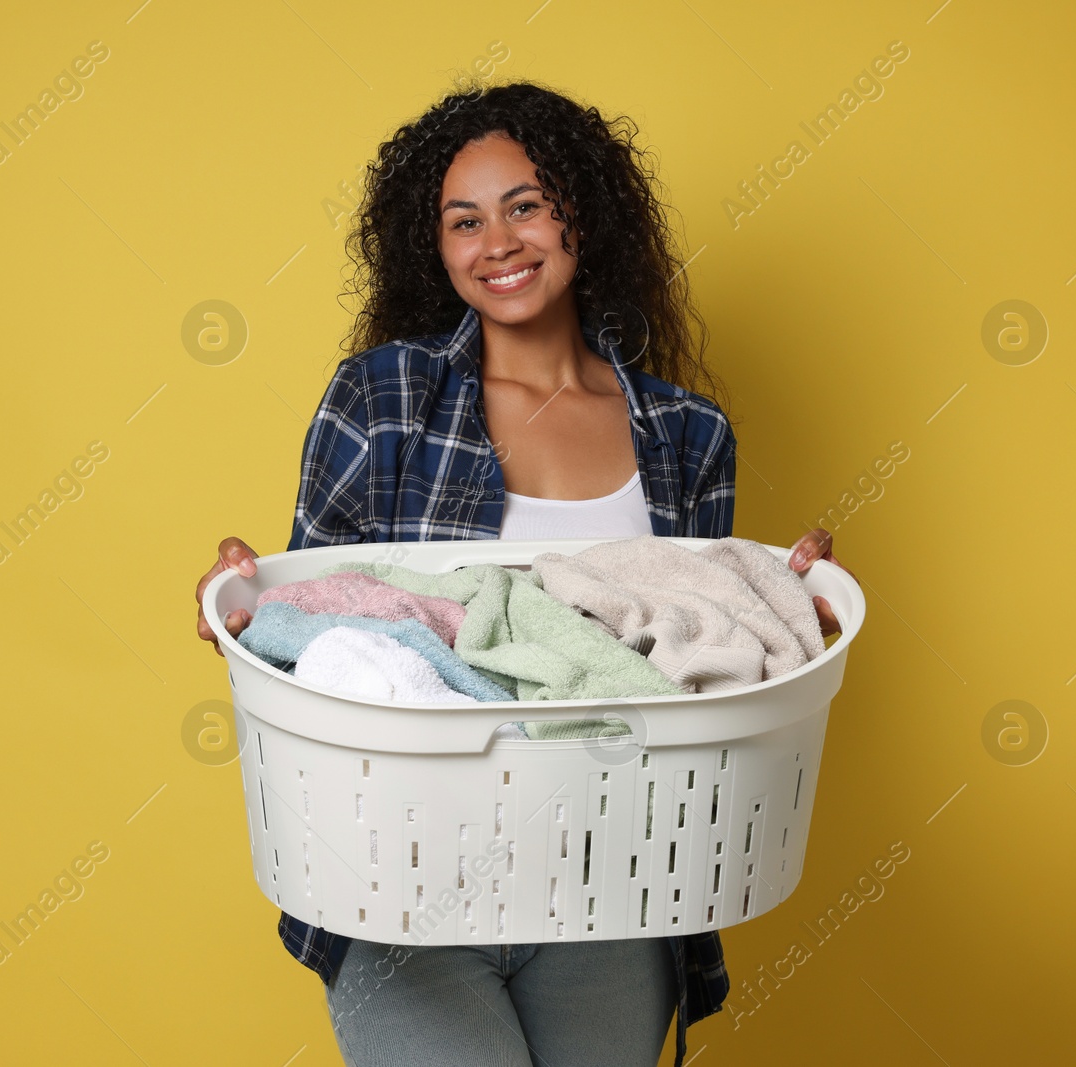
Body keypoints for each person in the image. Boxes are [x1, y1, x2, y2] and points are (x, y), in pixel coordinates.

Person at [194, 79, 853, 1067]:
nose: (495, 241)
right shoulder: (382, 398)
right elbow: (317, 635)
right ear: (437, 248)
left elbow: (693, 650)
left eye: (525, 206)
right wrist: (244, 600)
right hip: (405, 882)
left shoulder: (686, 433)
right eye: (464, 220)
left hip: (616, 880)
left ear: (580, 214)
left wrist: (784, 600)